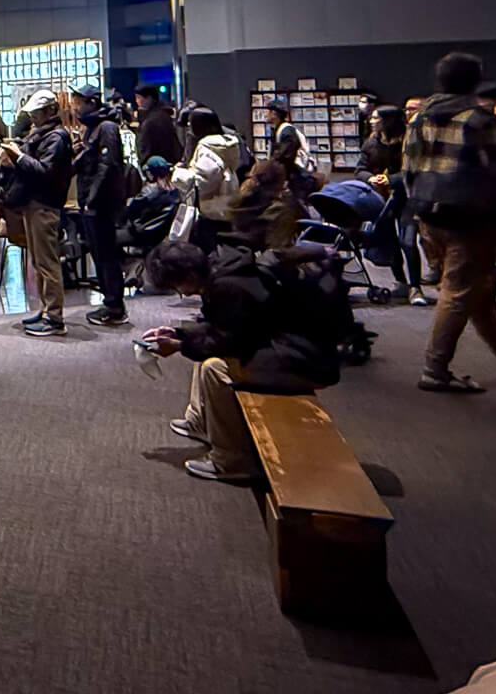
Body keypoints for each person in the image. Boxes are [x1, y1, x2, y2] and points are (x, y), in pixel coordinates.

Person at [404, 51, 496, 393]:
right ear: (475, 80)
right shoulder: (480, 120)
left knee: (478, 292)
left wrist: (417, 211)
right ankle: (434, 370)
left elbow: (410, 168)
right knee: (458, 292)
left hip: (429, 215)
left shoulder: (419, 118)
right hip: (470, 219)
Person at [139, 239, 346, 483]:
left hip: (304, 360)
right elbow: (229, 328)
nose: (182, 292)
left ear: (191, 273)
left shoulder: (230, 287)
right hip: (287, 347)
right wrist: (180, 335)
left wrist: (180, 345)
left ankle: (233, 461)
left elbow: (228, 341)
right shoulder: (224, 268)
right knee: (205, 352)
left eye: (178, 284)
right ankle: (200, 422)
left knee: (215, 368)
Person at [0, 88, 73, 337]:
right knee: (39, 262)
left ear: (50, 111)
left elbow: (44, 172)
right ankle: (47, 310)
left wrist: (17, 157)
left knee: (47, 263)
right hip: (36, 203)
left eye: (37, 113)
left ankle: (55, 317)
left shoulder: (56, 138)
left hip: (44, 204)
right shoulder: (44, 135)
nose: (34, 118)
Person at [71, 83, 130, 328]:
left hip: (102, 205)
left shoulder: (106, 128)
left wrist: (92, 200)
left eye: (79, 103)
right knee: (99, 253)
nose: (75, 108)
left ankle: (115, 305)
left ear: (92, 103)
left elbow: (107, 167)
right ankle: (110, 301)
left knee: (106, 255)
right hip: (92, 203)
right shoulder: (93, 129)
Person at [358, 104, 430, 306]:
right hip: (382, 199)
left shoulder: (409, 141)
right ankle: (401, 282)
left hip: (408, 197)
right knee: (390, 242)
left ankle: (416, 287)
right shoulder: (371, 143)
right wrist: (371, 178)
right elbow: (360, 168)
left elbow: (418, 170)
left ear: (387, 121)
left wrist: (392, 180)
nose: (371, 121)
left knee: (408, 241)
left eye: (375, 118)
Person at [173, 107, 244, 250]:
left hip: (210, 213)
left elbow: (202, 182)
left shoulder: (207, 148)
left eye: (191, 124)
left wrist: (179, 174)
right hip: (225, 209)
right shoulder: (227, 145)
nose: (188, 128)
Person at [135, 84, 185, 167]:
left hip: (157, 165)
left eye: (139, 97)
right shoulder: (162, 115)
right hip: (166, 162)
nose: (137, 101)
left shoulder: (153, 119)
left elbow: (146, 145)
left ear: (149, 98)